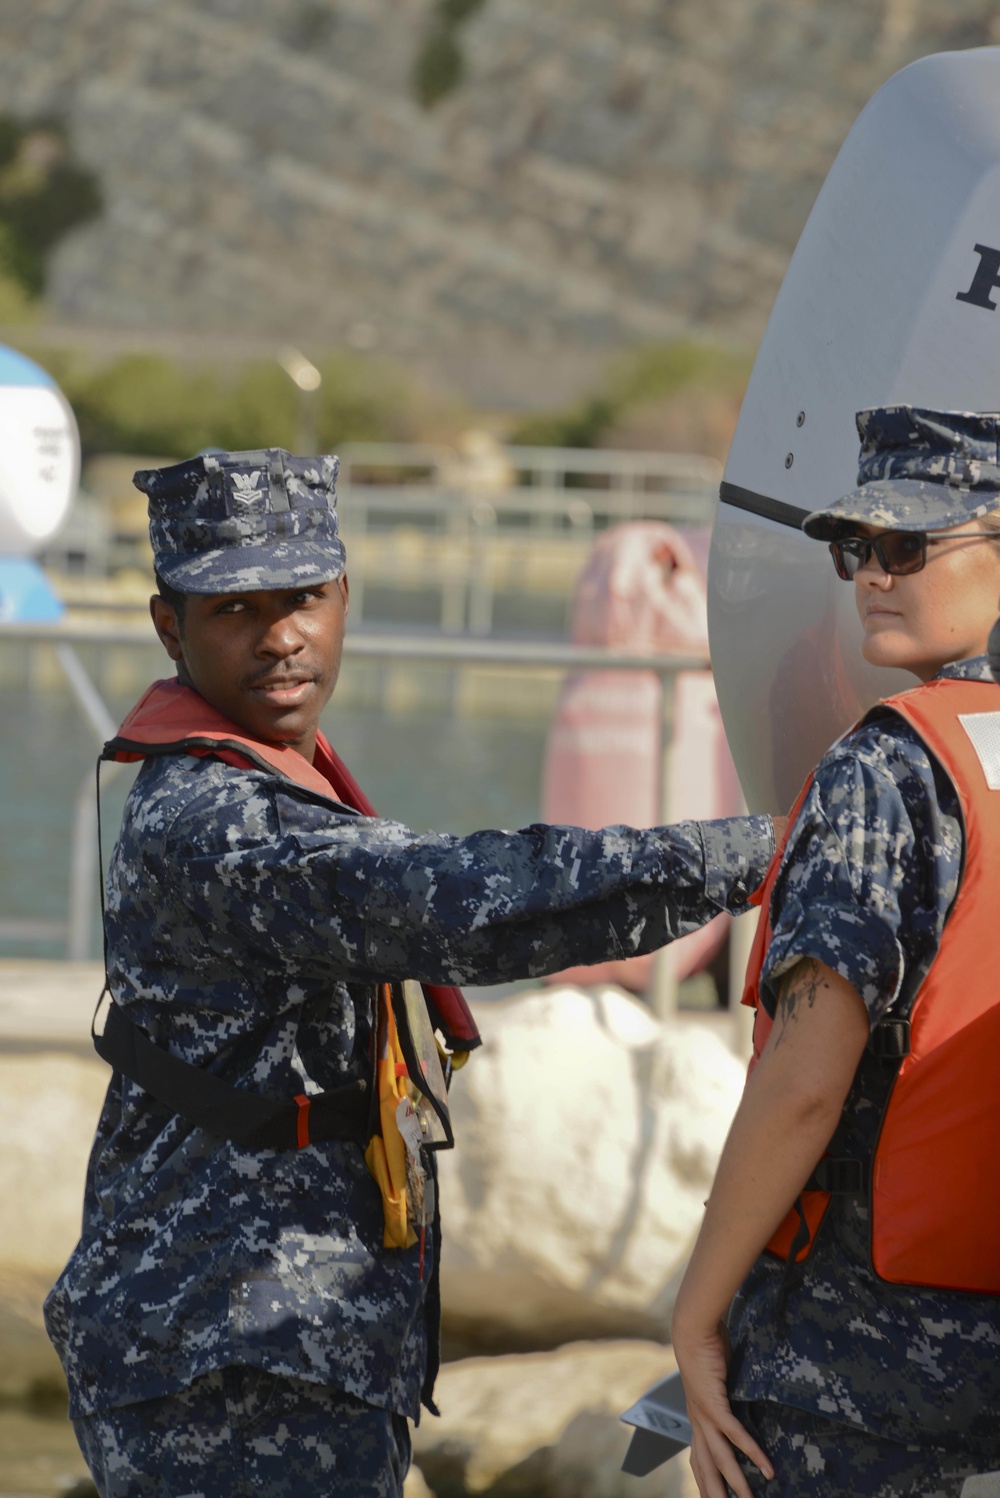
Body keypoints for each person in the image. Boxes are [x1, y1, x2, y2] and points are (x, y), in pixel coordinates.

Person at [43, 447, 779, 1498]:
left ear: (344, 595)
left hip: (284, 1338)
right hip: (226, 1359)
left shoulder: (270, 770)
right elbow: (457, 897)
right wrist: (748, 855)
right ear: (171, 628)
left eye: (304, 595)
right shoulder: (214, 820)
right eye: (235, 609)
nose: (282, 635)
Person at [671, 405, 1000, 1498]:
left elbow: (805, 1084)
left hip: (855, 1373)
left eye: (907, 547)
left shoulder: (886, 767)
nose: (868, 574)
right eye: (852, 547)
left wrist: (696, 1311)